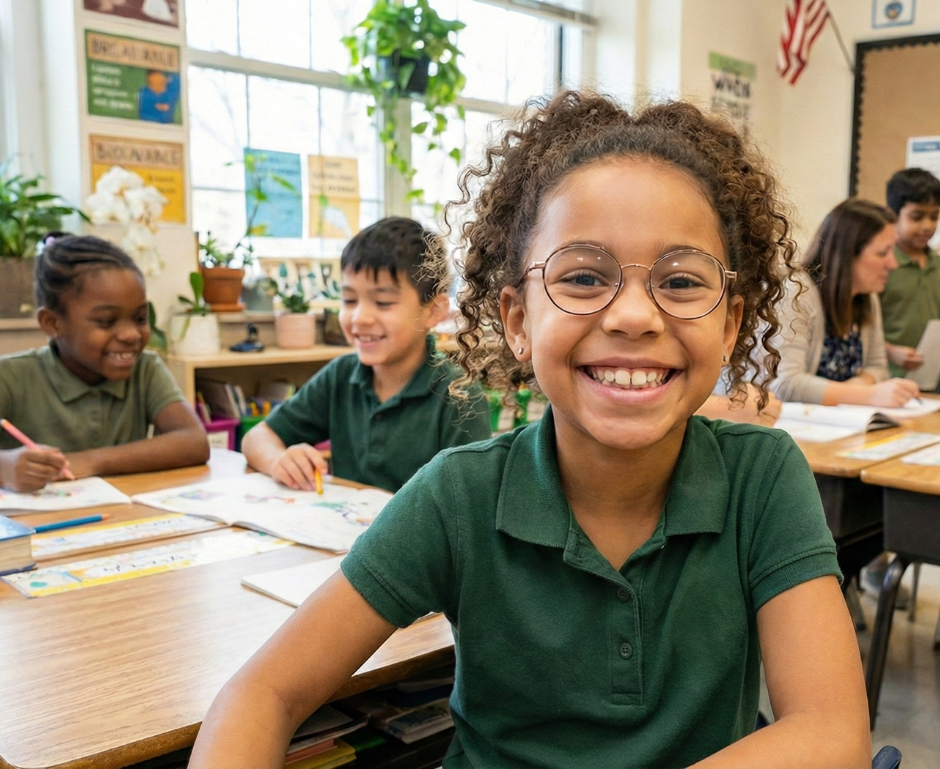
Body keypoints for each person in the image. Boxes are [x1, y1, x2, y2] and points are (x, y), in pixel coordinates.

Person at [190, 92, 869, 769]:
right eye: (581, 276)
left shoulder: (762, 477)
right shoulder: (460, 496)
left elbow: (831, 732)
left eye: (683, 281)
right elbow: (263, 693)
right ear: (516, 321)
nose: (635, 315)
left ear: (729, 326)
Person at [242, 217, 492, 493]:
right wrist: (280, 461)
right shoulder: (342, 375)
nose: (359, 318)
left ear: (433, 311)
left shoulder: (461, 396)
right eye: (349, 300)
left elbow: (468, 506)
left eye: (383, 303)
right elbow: (256, 438)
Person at [0, 235, 209, 492]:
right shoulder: (10, 377)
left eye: (140, 318)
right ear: (52, 323)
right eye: (106, 321)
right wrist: (5, 466)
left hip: (121, 522)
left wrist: (90, 460)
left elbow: (194, 442)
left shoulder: (145, 369)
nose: (131, 334)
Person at [767, 198, 921, 407]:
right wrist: (866, 395)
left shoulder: (867, 296)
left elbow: (878, 369)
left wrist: (851, 390)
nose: (893, 264)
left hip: (839, 424)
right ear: (847, 254)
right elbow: (784, 384)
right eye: (882, 253)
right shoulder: (795, 291)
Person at [880, 167, 940, 377]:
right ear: (892, 215)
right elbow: (858, 330)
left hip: (932, 381)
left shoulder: (937, 265)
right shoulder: (881, 265)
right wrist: (890, 351)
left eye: (934, 217)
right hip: (888, 377)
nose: (927, 226)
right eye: (917, 217)